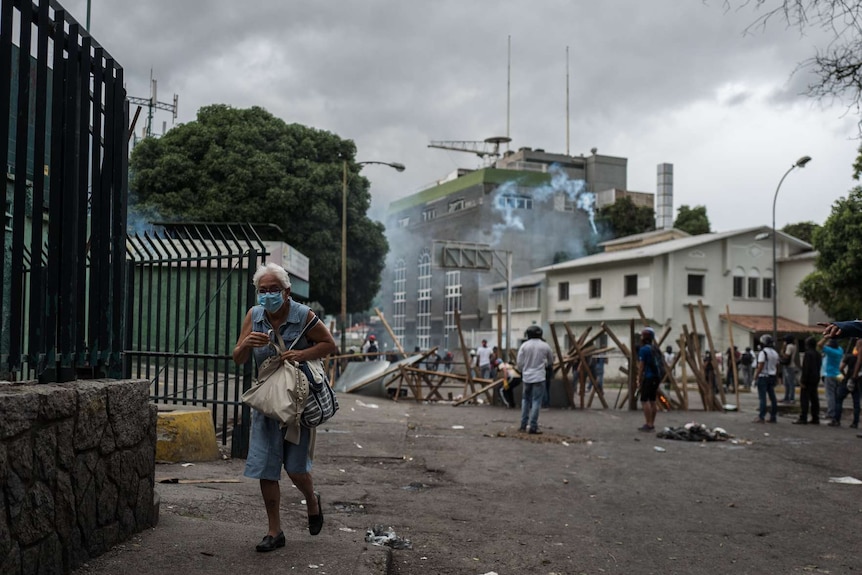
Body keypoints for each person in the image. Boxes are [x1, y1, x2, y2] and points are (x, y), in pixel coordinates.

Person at [232, 263, 338, 552]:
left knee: (295, 468)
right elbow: (237, 358)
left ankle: (312, 500)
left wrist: (302, 353)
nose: (267, 296)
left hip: (296, 404)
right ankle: (274, 531)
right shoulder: (254, 316)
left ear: (286, 291)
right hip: (267, 403)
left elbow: (330, 345)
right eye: (262, 291)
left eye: (273, 290)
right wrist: (245, 346)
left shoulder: (304, 316)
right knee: (267, 470)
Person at [517, 325, 554, 434]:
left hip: (527, 377)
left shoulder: (524, 346)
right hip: (539, 377)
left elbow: (519, 363)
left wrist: (523, 370)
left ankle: (523, 425)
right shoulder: (545, 346)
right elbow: (551, 361)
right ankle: (533, 426)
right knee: (536, 401)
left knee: (525, 400)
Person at [637, 327, 662, 432]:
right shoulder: (656, 349)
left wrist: (639, 378)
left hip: (649, 376)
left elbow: (641, 366)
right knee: (653, 400)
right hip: (657, 377)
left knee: (644, 400)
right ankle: (652, 423)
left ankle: (648, 423)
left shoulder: (643, 350)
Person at [793, 337, 822, 425]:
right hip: (816, 378)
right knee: (814, 398)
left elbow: (806, 368)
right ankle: (815, 417)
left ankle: (803, 417)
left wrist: (803, 380)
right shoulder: (818, 354)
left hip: (808, 379)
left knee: (804, 399)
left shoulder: (808, 354)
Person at [752, 334, 780, 423]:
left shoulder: (763, 352)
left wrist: (755, 377)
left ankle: (761, 416)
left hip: (763, 376)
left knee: (762, 398)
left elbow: (760, 366)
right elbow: (777, 366)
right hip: (772, 376)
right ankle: (773, 416)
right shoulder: (775, 353)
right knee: (772, 397)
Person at [833, 340, 861, 428]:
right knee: (856, 403)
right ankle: (855, 423)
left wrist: (845, 377)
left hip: (847, 381)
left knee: (839, 400)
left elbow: (841, 368)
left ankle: (836, 420)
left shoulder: (849, 357)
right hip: (858, 382)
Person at [819, 337, 844, 424]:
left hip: (829, 374)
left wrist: (825, 338)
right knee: (835, 395)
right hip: (838, 374)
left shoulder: (831, 351)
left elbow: (819, 345)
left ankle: (831, 412)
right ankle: (835, 413)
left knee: (830, 395)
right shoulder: (840, 350)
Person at [781, 335, 799, 403]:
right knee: (788, 383)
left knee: (789, 383)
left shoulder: (789, 346)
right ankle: (788, 397)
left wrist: (783, 349)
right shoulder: (794, 346)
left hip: (788, 366)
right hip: (791, 366)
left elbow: (786, 355)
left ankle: (790, 398)